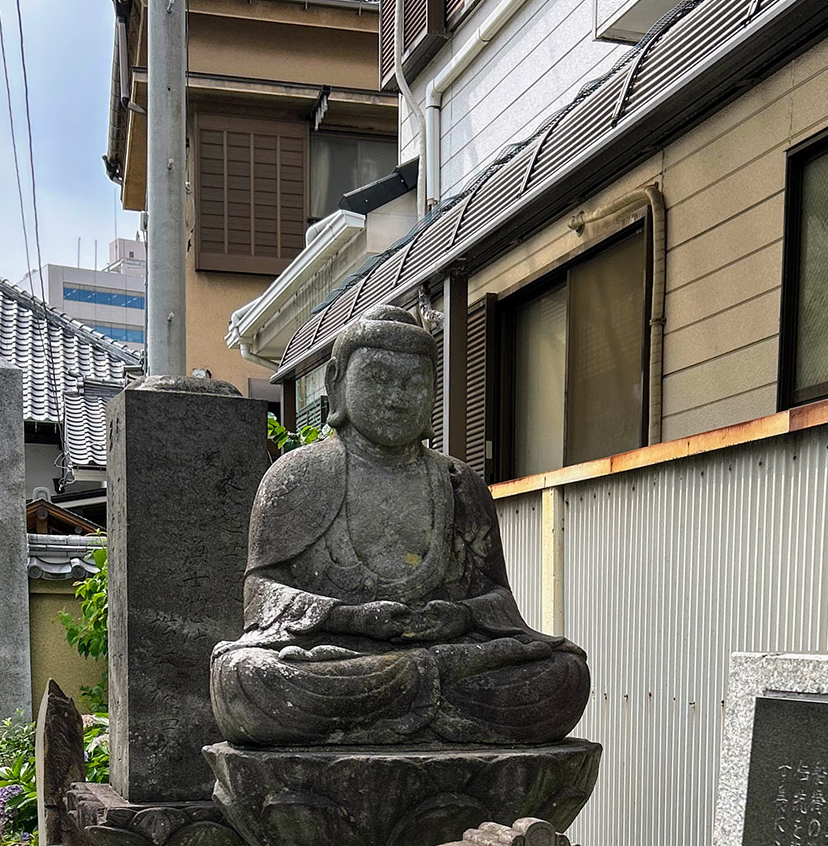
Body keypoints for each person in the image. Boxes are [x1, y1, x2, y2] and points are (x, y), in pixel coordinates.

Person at [211, 303, 591, 748]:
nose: (396, 397)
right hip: (341, 659)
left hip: (449, 658)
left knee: (563, 672)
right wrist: (350, 618)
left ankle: (408, 699)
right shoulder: (297, 476)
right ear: (338, 383)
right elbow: (261, 595)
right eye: (377, 379)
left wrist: (461, 614)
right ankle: (417, 700)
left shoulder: (458, 483)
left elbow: (498, 596)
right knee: (250, 677)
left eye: (414, 383)